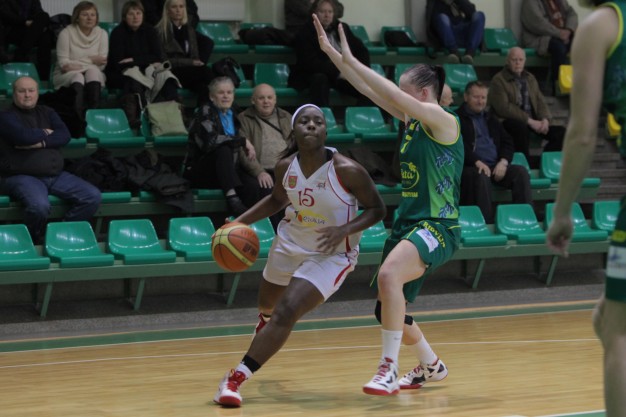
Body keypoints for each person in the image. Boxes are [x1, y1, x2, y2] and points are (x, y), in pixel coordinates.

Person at [314, 15, 463, 395]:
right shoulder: (414, 120)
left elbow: (390, 95)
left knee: (389, 276)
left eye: (406, 92)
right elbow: (369, 90)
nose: (399, 97)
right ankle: (432, 366)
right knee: (386, 309)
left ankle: (387, 368)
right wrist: (334, 55)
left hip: (438, 225)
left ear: (424, 94)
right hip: (409, 224)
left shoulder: (443, 120)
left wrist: (353, 58)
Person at [213, 103, 387, 407]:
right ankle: (266, 327)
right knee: (267, 307)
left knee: (287, 309)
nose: (311, 125)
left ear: (325, 131)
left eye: (318, 121)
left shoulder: (347, 169)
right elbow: (276, 200)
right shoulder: (285, 167)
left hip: (332, 253)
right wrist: (239, 222)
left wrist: (344, 230)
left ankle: (234, 379)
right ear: (293, 131)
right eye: (304, 121)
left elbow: (378, 209)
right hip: (290, 242)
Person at [546, 1, 626, 416]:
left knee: (618, 333)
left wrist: (562, 212)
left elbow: (581, 135)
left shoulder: (601, 25)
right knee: (603, 317)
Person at [0, 77, 101, 243]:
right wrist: (46, 132)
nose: (27, 95)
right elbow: (22, 136)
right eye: (22, 91)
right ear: (14, 93)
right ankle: (30, 242)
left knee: (92, 196)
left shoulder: (47, 112)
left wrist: (40, 142)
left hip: (55, 176)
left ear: (37, 93)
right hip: (21, 176)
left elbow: (65, 135)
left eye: (31, 90)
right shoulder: (5, 116)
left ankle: (59, 237)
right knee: (39, 207)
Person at [182, 76, 260, 216]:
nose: (226, 96)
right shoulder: (205, 111)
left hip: (228, 170)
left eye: (229, 92)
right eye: (221, 92)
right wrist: (242, 141)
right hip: (202, 171)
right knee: (223, 149)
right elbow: (211, 142)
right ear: (212, 97)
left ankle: (248, 222)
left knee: (254, 186)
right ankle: (232, 199)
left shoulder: (234, 112)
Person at [457, 81, 532, 223]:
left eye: (483, 98)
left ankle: (524, 219)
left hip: (495, 166)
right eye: (476, 97)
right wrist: (476, 161)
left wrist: (503, 162)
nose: (480, 101)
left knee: (520, 172)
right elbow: (457, 145)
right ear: (466, 97)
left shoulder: (491, 118)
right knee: (481, 177)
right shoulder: (456, 119)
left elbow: (507, 142)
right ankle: (486, 223)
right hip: (471, 167)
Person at [106, 0, 180, 128]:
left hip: (146, 70)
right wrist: (144, 60)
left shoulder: (150, 31)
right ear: (124, 17)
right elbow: (119, 61)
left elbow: (157, 57)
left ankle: (176, 117)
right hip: (121, 73)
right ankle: (137, 118)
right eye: (131, 14)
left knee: (167, 78)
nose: (135, 17)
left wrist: (133, 59)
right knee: (133, 80)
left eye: (138, 13)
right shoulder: (117, 33)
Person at [488, 46, 564, 166]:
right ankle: (525, 163)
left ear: (525, 61)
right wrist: (529, 121)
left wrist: (545, 119)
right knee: (520, 128)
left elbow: (540, 100)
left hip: (532, 120)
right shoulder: (498, 80)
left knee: (561, 133)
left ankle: (544, 163)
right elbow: (503, 108)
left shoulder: (530, 78)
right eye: (514, 60)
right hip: (507, 121)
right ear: (507, 61)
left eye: (520, 60)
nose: (518, 63)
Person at [288, 0, 371, 107]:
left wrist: (362, 72)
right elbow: (311, 63)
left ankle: (359, 115)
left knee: (369, 87)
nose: (327, 15)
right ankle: (322, 114)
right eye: (322, 12)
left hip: (339, 74)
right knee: (320, 79)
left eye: (330, 12)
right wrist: (340, 72)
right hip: (313, 75)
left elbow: (361, 50)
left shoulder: (342, 27)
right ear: (315, 13)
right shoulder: (305, 32)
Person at [238, 83, 292, 228]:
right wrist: (259, 172)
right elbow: (242, 151)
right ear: (253, 100)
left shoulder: (286, 117)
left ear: (275, 99)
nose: (266, 101)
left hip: (286, 169)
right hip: (263, 170)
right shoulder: (243, 119)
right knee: (267, 189)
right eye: (261, 98)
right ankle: (275, 231)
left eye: (269, 97)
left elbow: (296, 144)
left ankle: (292, 231)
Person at [52, 1, 108, 122]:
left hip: (93, 73)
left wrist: (78, 63)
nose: (89, 18)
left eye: (93, 15)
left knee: (93, 72)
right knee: (79, 76)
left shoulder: (102, 34)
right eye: (85, 14)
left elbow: (101, 65)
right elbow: (64, 65)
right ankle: (77, 120)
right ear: (77, 17)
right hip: (65, 75)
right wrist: (91, 59)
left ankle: (93, 119)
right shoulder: (66, 33)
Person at [155, 0, 214, 107]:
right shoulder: (159, 32)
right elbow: (163, 61)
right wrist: (191, 62)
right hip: (171, 71)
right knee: (207, 72)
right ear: (167, 11)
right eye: (174, 7)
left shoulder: (189, 30)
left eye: (181, 7)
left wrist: (199, 62)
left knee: (204, 88)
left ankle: (203, 113)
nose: (178, 10)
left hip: (189, 72)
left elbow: (203, 47)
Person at [520, 0, 578, 92]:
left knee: (580, 43)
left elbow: (572, 13)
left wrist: (569, 30)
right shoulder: (530, 2)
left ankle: (579, 85)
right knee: (559, 48)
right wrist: (559, 33)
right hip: (540, 38)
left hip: (563, 34)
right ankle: (558, 87)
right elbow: (537, 23)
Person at [0, 0, 54, 79]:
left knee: (44, 17)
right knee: (44, 37)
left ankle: (22, 52)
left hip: (30, 31)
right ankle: (44, 77)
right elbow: (6, 15)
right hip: (13, 30)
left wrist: (37, 25)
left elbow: (39, 12)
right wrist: (24, 22)